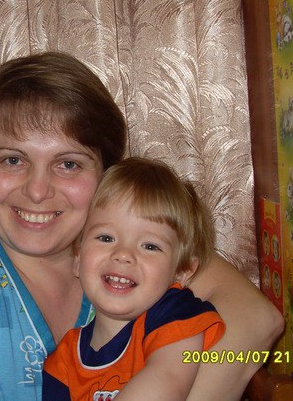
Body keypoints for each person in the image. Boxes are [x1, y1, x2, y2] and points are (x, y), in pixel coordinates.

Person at [0, 52, 283, 401]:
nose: (37, 190)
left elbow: (256, 318)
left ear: (105, 175)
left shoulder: (122, 251)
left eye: (69, 163)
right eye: (12, 160)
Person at [42, 157, 225, 400]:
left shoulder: (175, 314)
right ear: (77, 258)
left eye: (150, 246)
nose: (123, 254)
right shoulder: (62, 363)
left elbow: (168, 379)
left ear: (181, 272)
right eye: (106, 238)